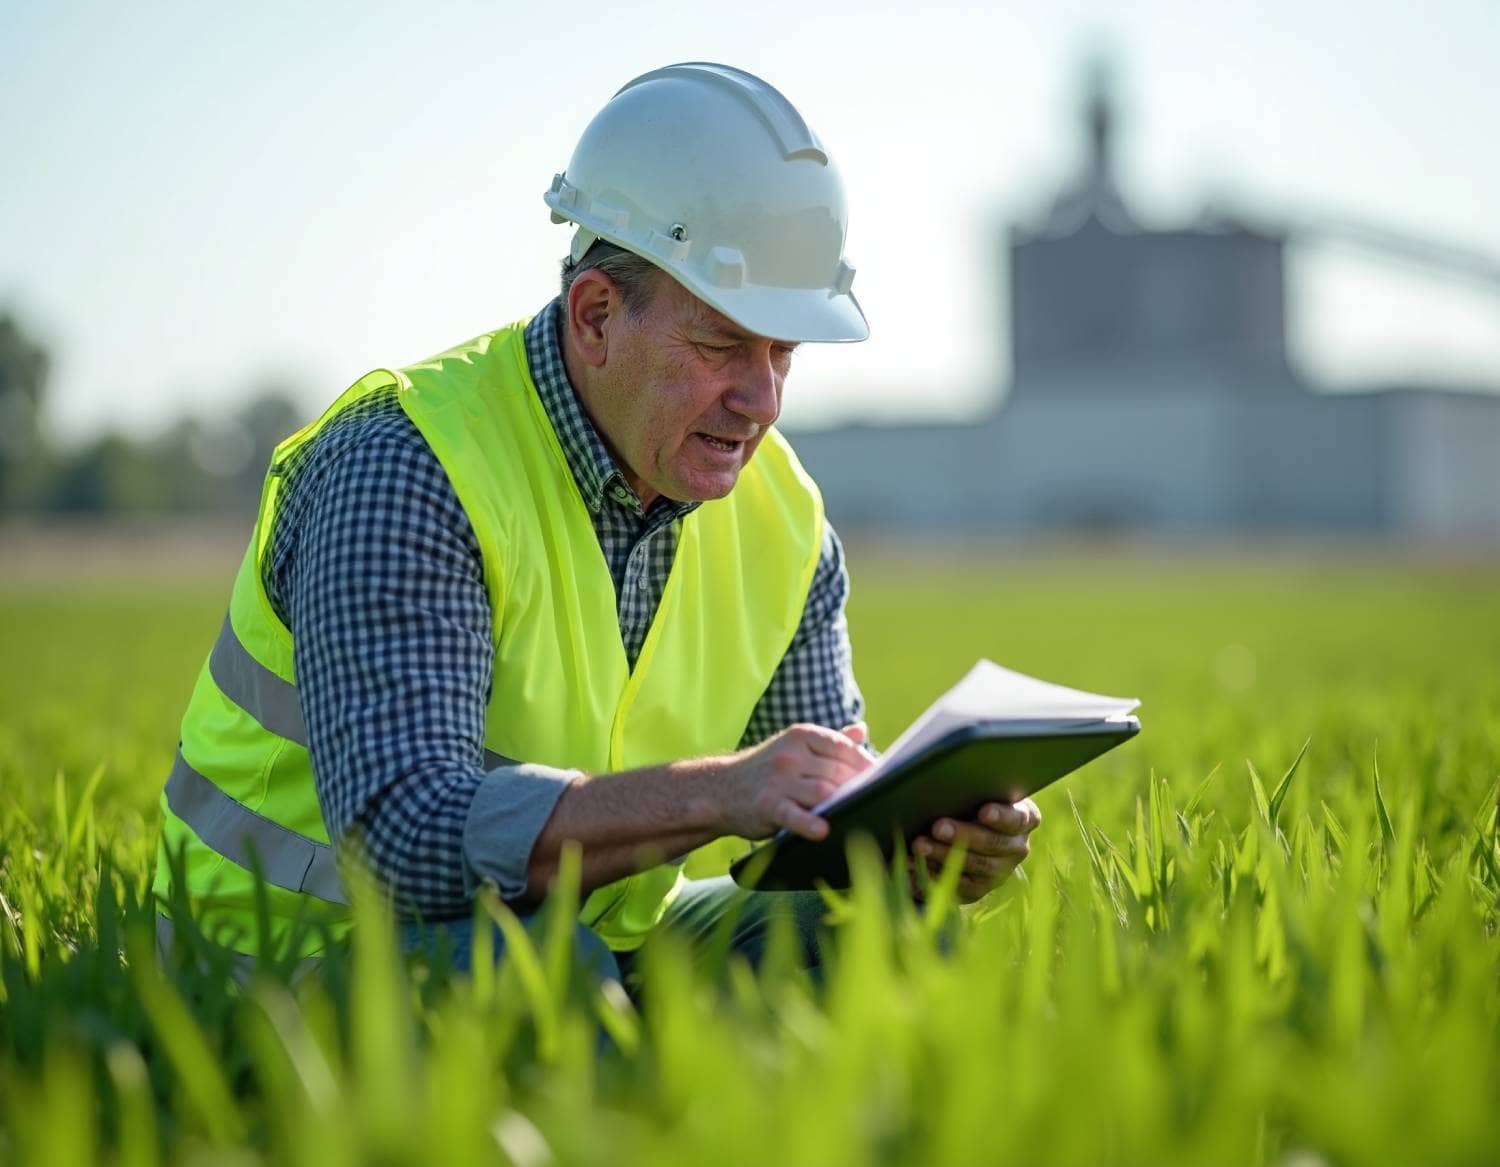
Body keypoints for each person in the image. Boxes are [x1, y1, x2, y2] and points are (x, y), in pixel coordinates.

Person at [152, 62, 1041, 980]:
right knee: (548, 967)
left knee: (883, 926)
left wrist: (918, 843)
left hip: (581, 934)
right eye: (721, 344)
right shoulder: (408, 465)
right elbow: (406, 839)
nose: (763, 399)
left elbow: (814, 833)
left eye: (784, 352)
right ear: (596, 314)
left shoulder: (786, 518)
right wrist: (723, 793)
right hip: (281, 955)